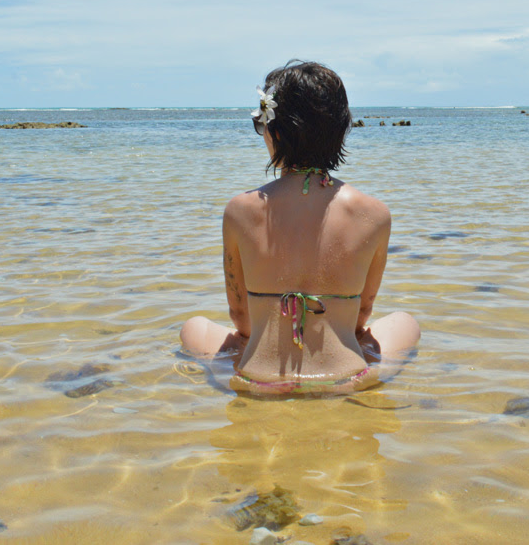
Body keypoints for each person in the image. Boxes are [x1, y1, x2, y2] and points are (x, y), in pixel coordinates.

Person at [180, 60, 420, 395]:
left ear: (276, 131)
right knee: (405, 323)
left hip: (257, 379)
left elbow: (241, 319)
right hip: (347, 378)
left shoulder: (239, 210)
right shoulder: (375, 213)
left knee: (194, 328)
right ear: (340, 131)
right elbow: (362, 315)